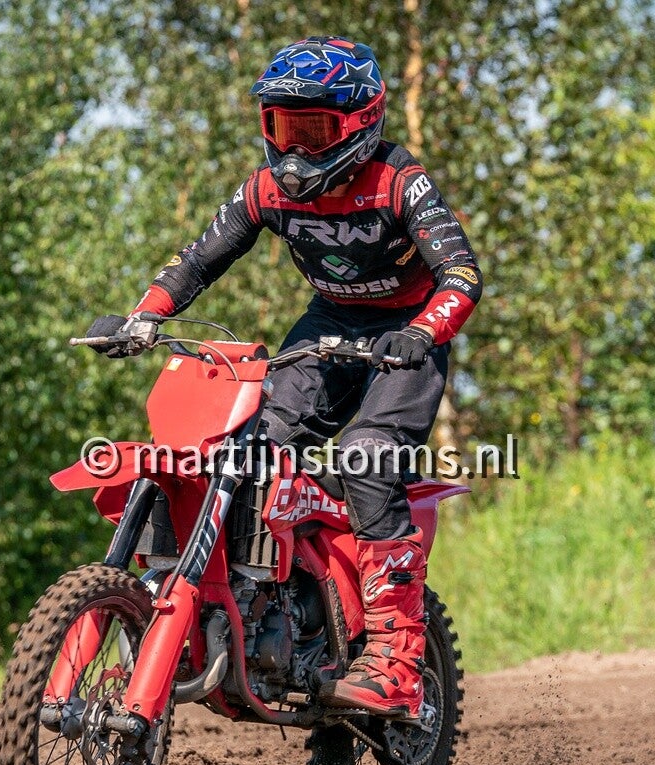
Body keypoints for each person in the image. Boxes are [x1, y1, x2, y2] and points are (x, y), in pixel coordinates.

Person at [85, 36, 482, 720]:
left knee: (366, 458)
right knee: (244, 446)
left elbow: (462, 274)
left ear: (360, 123)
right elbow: (198, 260)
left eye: (313, 130)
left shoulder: (398, 181)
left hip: (406, 332)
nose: (294, 149)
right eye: (282, 127)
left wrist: (422, 333)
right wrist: (143, 316)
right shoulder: (264, 190)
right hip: (329, 322)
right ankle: (267, 597)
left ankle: (396, 658)